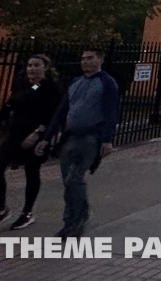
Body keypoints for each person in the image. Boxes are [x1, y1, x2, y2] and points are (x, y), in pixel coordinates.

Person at [36, 49, 119, 238]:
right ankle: (71, 219)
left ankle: (78, 219)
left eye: (90, 58)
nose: (85, 62)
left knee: (74, 178)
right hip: (71, 136)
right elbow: (62, 110)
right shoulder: (75, 83)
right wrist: (47, 137)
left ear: (100, 59)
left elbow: (111, 111)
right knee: (68, 181)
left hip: (91, 137)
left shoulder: (106, 83)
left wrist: (107, 139)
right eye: (83, 58)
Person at [0, 55, 63, 234]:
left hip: (36, 136)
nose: (32, 69)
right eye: (29, 65)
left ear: (45, 67)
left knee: (31, 171)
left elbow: (54, 115)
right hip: (15, 133)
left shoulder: (51, 88)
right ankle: (1, 210)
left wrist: (38, 133)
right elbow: (10, 104)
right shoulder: (24, 85)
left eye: (36, 65)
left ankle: (27, 212)